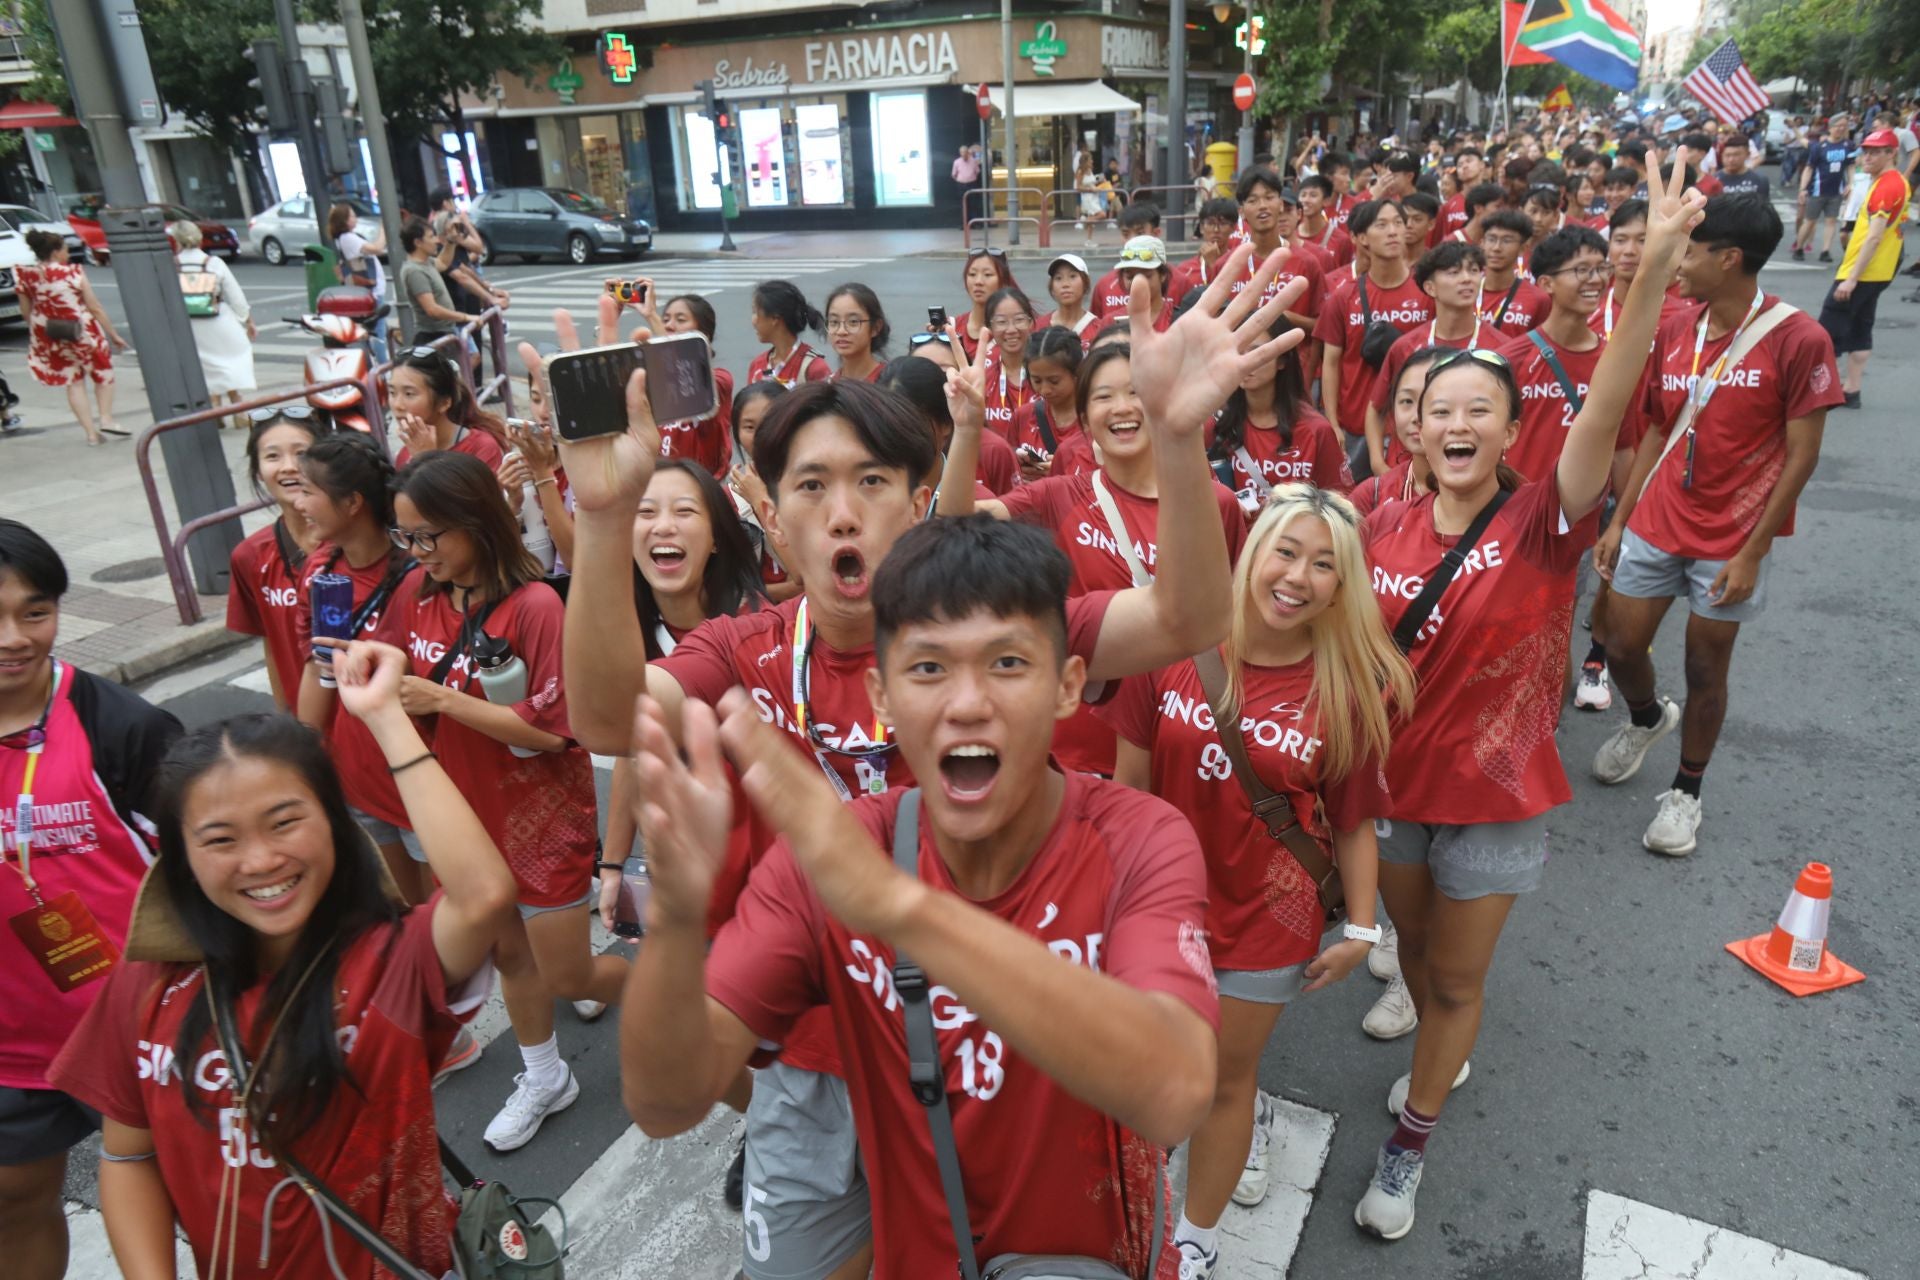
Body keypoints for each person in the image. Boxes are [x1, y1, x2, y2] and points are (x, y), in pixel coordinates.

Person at [557, 246, 1299, 1280]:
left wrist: (1178, 441)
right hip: (810, 1036)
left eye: (872, 480)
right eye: (810, 484)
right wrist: (600, 517)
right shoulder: (745, 649)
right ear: (770, 518)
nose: (843, 509)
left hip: (1006, 1007)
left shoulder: (1000, 624)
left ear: (921, 501)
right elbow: (602, 718)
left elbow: (1185, 614)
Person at [622, 515, 1222, 1277]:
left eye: (1008, 662)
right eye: (929, 669)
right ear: (882, 692)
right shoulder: (835, 855)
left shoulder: (1139, 839)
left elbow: (1175, 1091)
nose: (966, 703)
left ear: (1069, 685)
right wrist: (673, 924)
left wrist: (905, 912)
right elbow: (666, 1103)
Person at [1352, 158, 1705, 1240]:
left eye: (1480, 410)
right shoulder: (1375, 527)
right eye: (1436, 409)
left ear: (1511, 431)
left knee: (1456, 979)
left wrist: (1643, 270)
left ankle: (1408, 1141)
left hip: (1499, 791)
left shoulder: (1545, 522)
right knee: (1413, 958)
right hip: (1395, 789)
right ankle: (1435, 1048)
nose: (1455, 423)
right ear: (1415, 430)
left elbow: (1609, 394)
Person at [48, 644, 518, 1280]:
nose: (261, 860)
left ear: (333, 824)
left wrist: (384, 717)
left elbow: (484, 895)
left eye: (284, 822)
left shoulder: (391, 964)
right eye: (220, 839)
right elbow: (128, 1157)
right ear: (180, 857)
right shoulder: (144, 983)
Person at [1102, 486, 1412, 1279]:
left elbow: (1349, 822)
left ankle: (1195, 1242)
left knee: (1225, 1081)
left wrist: (1363, 931)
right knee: (1143, 1078)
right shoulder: (1169, 643)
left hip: (1266, 920)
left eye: (1323, 565)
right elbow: (1126, 790)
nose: (1297, 576)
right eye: (1285, 551)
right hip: (1156, 908)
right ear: (1251, 553)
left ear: (1343, 587)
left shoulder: (1346, 686)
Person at [382, 451, 620, 1150]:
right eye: (406, 537)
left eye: (429, 536)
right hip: (466, 815)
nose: (417, 552)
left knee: (567, 970)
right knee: (512, 955)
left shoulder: (538, 605)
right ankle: (546, 1076)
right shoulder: (417, 595)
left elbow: (551, 735)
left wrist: (440, 699)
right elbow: (401, 678)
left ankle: (666, 999)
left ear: (479, 523)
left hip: (541, 820)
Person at [1594, 193, 1844, 857]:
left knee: (1706, 666)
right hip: (1657, 518)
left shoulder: (1800, 338)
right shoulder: (1679, 326)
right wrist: (1622, 517)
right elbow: (1655, 425)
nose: (1677, 263)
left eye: (1690, 251)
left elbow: (1804, 453)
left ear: (1730, 258)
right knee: (1618, 643)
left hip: (1733, 537)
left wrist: (1754, 551)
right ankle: (1647, 719)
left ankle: (1686, 793)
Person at [0, 520, 180, 1280]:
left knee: (183, 1197)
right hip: (14, 1041)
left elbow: (209, 869)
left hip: (141, 1025)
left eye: (34, 613)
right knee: (15, 1201)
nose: (12, 637)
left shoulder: (123, 727)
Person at [601, 458, 767, 936]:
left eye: (685, 511)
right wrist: (613, 865)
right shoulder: (626, 632)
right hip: (678, 870)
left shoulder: (757, 629)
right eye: (646, 512)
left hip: (759, 876)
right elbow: (633, 749)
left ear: (717, 537)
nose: (663, 526)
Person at [290, 432, 427, 897]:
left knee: (450, 916)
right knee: (402, 908)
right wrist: (303, 759)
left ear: (352, 503)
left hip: (420, 774)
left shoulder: (422, 575)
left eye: (309, 491)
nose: (298, 502)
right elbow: (318, 665)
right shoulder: (320, 570)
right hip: (357, 777)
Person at [1314, 199, 1434, 480]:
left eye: (1398, 223)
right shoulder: (1344, 297)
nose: (1393, 231)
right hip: (1353, 426)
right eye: (1382, 225)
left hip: (1413, 427)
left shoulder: (1428, 294)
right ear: (1362, 238)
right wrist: (1332, 421)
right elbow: (1331, 362)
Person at [1494, 226, 1616, 488]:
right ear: (1546, 284)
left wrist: (1617, 522)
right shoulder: (1511, 359)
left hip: (1582, 515)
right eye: (1581, 270)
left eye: (1602, 268)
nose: (1595, 279)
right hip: (1516, 508)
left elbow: (1623, 448)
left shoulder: (1613, 361)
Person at [226, 410, 327, 710]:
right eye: (272, 457)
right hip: (308, 727)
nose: (288, 467)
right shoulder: (249, 556)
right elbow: (272, 644)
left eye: (302, 454)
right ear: (258, 470)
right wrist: (285, 719)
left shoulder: (358, 540)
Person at [1364, 242, 1486, 474]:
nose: (1467, 279)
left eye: (1473, 270)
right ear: (1430, 287)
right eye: (1454, 272)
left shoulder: (1500, 348)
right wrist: (1378, 463)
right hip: (1405, 471)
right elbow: (1375, 408)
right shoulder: (1405, 346)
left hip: (1469, 472)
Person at [1212, 319, 1351, 506]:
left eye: (1257, 352)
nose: (1246, 361)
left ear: (1282, 360)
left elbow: (1340, 505)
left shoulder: (1316, 431)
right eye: (1239, 351)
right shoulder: (1215, 425)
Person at [1817, 130, 1910, 409]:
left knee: (1826, 333)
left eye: (1876, 151)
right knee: (1860, 327)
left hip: (1862, 271)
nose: (1867, 157)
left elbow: (1875, 236)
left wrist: (1851, 278)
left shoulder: (1886, 186)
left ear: (1891, 153)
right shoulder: (1894, 182)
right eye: (1866, 151)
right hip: (1877, 271)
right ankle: (1852, 390)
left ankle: (1821, 391)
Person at [14, 230, 128, 447]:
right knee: (102, 373)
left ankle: (91, 434)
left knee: (73, 382)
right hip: (82, 331)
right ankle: (106, 418)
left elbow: (26, 313)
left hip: (50, 334)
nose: (67, 253)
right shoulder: (73, 273)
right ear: (56, 252)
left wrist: (42, 328)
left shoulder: (24, 275)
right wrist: (113, 334)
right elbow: (94, 306)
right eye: (65, 249)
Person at [625, 285, 736, 475]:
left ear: (704, 335)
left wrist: (652, 316)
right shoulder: (652, 383)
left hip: (700, 487)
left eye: (681, 319)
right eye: (665, 319)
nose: (668, 325)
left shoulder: (720, 380)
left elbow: (689, 378)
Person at [876, 354, 1017, 502]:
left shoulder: (977, 503)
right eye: (885, 424)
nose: (896, 437)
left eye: (910, 425)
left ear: (945, 424)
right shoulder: (864, 497)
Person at [171, 220, 256, 428]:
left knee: (205, 366)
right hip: (217, 318)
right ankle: (239, 409)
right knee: (231, 360)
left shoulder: (172, 265)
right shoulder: (213, 263)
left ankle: (215, 408)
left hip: (189, 324)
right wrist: (247, 321)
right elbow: (235, 296)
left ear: (176, 241)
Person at [725, 380, 801, 603]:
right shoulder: (729, 497)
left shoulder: (810, 487)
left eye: (770, 423)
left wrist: (759, 498)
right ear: (737, 433)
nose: (760, 435)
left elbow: (803, 576)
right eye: (749, 427)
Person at [1349, 346, 1444, 519]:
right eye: (1407, 400)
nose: (1417, 417)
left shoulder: (1495, 500)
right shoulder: (1370, 497)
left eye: (1434, 401)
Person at [1231, 168, 1325, 330]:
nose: (1262, 206)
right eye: (1253, 200)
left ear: (1280, 205)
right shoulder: (1228, 265)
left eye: (1269, 198)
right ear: (1242, 212)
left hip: (1293, 355)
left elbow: (1323, 327)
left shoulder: (1307, 262)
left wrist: (1282, 316)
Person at [390, 345, 507, 469]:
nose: (397, 405)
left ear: (444, 403)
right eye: (392, 393)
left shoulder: (481, 449)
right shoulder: (405, 454)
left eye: (409, 394)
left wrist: (425, 460)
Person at [1007, 325, 1093, 482]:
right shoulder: (1022, 416)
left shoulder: (1096, 419)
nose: (1045, 390)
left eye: (1054, 381)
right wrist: (1019, 464)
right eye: (1037, 380)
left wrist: (1063, 472)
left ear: (1077, 373)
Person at [428, 185, 510, 325]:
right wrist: (466, 223)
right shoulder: (448, 223)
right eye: (452, 200)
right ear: (445, 203)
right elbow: (477, 249)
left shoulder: (435, 224)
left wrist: (489, 290)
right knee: (468, 338)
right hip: (456, 300)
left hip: (461, 296)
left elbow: (463, 268)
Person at [396, 217, 475, 350]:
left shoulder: (427, 262)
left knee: (469, 359)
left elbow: (443, 263)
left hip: (444, 332)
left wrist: (451, 240)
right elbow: (432, 310)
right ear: (418, 242)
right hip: (434, 336)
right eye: (431, 237)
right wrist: (466, 317)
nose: (437, 240)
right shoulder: (415, 271)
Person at [329, 201, 390, 359]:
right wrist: (384, 229)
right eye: (352, 216)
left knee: (377, 330)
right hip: (371, 292)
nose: (355, 218)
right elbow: (377, 248)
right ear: (344, 220)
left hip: (368, 290)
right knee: (378, 333)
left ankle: (378, 366)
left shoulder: (344, 238)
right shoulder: (348, 238)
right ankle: (382, 369)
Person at [1476, 211, 1549, 335]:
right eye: (1492, 239)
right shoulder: (1463, 291)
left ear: (1523, 248)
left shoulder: (1538, 299)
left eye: (1506, 241)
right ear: (1482, 243)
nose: (1496, 248)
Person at [747, 280, 831, 387]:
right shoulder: (757, 366)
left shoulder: (813, 369)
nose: (753, 321)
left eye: (755, 312)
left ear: (775, 318)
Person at [1794, 116, 1855, 262]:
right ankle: (1799, 247)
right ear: (1830, 128)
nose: (1840, 129)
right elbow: (1809, 168)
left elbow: (1850, 166)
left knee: (1831, 221)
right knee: (1809, 221)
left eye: (1844, 126)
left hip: (1836, 190)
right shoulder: (1819, 147)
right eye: (1837, 126)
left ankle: (1825, 250)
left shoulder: (1848, 145)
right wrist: (1803, 188)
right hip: (1817, 190)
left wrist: (1851, 183)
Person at [979, 286, 1036, 439]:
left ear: (1031, 322)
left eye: (1019, 320)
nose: (1011, 329)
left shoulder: (1047, 376)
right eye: (1001, 322)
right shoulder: (982, 380)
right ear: (990, 327)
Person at [1089, 202, 1164, 316]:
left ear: (1156, 233)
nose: (1132, 240)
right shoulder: (1104, 285)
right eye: (1125, 234)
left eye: (1140, 233)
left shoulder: (1180, 281)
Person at [1169, 198, 1240, 309]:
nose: (1216, 230)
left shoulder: (1239, 265)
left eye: (1223, 224)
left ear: (1233, 228)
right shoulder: (1185, 269)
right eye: (1210, 223)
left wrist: (1213, 265)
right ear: (1201, 228)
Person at [956, 248, 1016, 361]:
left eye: (987, 275)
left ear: (1003, 281)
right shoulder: (952, 328)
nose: (978, 281)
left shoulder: (1017, 330)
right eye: (972, 274)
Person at [823, 282, 887, 384]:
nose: (841, 331)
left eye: (853, 322)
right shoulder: (827, 387)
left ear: (876, 327)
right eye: (834, 322)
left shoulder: (889, 385)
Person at [1035, 252, 1098, 345]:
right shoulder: (1039, 326)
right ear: (1052, 288)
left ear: (1085, 283)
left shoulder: (1098, 328)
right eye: (1058, 278)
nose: (1065, 284)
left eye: (1072, 276)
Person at [1714, 136, 1770, 201]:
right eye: (1727, 155)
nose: (1731, 159)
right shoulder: (1714, 180)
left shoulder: (1760, 180)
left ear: (1747, 155)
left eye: (1736, 155)